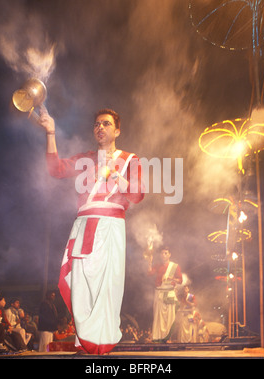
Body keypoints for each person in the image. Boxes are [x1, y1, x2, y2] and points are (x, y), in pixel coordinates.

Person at [39, 107, 144, 354]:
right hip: (84, 224)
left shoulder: (130, 159)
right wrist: (51, 132)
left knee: (107, 286)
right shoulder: (85, 159)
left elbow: (138, 195)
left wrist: (116, 173)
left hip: (110, 225)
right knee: (81, 285)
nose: (100, 128)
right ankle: (85, 341)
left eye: (106, 124)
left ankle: (102, 343)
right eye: (97, 124)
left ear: (117, 130)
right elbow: (56, 169)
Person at [148, 247, 182, 343]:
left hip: (169, 293)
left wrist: (173, 278)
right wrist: (149, 262)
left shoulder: (175, 266)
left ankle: (167, 338)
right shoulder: (157, 266)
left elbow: (180, 280)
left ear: (169, 254)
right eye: (162, 253)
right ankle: (158, 338)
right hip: (159, 293)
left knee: (169, 317)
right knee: (158, 317)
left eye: (166, 253)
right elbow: (150, 273)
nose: (164, 255)